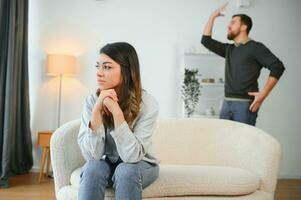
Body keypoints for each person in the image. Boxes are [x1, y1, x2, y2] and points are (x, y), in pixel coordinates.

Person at [77, 42, 160, 200]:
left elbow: (132, 157)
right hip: (107, 162)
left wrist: (117, 113)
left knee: (126, 170)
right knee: (93, 168)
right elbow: (92, 156)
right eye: (98, 66)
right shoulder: (91, 101)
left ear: (127, 71)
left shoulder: (148, 104)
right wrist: (96, 111)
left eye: (107, 67)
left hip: (141, 163)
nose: (99, 73)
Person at [201, 3, 285, 126]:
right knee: (224, 143)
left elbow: (277, 67)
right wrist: (213, 16)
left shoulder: (255, 47)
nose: (228, 26)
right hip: (226, 103)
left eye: (233, 23)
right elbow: (206, 41)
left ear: (243, 27)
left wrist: (264, 94)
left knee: (244, 144)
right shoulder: (229, 49)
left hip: (245, 105)